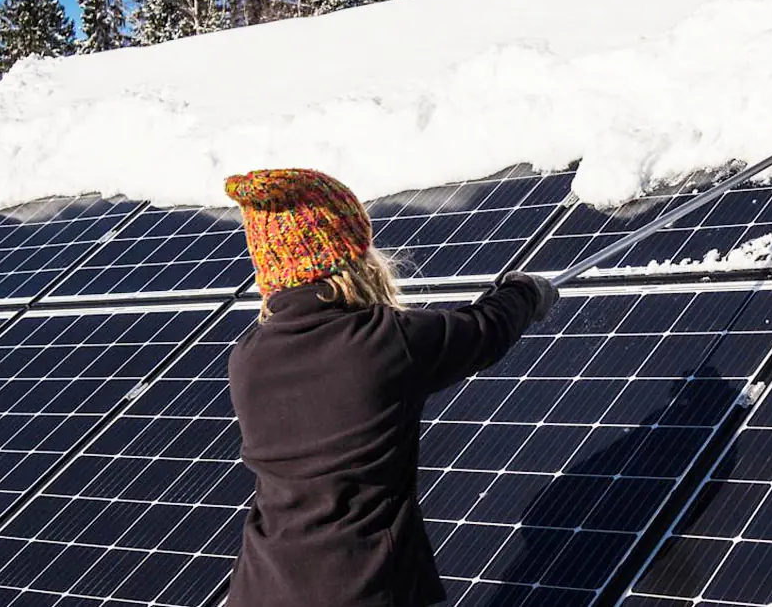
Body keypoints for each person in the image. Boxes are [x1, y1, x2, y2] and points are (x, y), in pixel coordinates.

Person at [221, 168, 559, 607]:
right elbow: (484, 331)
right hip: (363, 586)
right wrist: (524, 293)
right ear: (349, 256)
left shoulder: (247, 357)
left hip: (260, 586)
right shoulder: (384, 340)